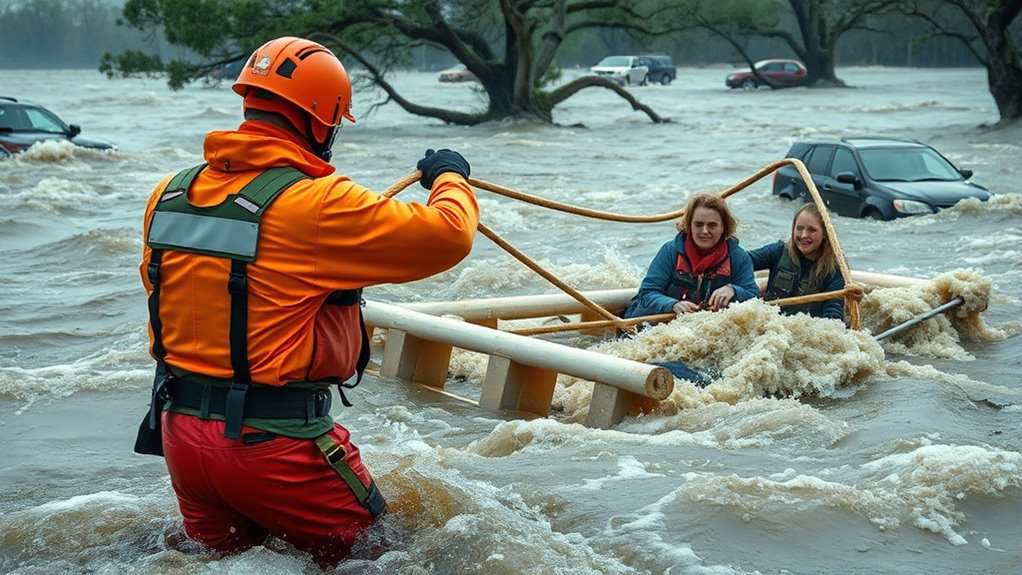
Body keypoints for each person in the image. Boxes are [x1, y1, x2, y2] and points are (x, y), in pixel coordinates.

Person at [134, 37, 480, 567]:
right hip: (275, 446)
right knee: (391, 559)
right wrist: (451, 176)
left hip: (181, 440)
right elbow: (450, 235)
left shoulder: (170, 193)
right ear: (321, 123)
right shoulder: (319, 204)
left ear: (249, 101)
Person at [622, 192, 759, 319]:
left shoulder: (738, 257)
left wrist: (734, 290)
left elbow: (753, 295)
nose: (704, 231)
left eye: (712, 225)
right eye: (698, 224)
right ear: (689, 225)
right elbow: (647, 293)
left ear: (723, 227)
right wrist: (673, 305)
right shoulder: (670, 251)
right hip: (663, 325)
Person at [748, 202, 845, 320]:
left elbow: (833, 313)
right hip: (772, 325)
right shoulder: (778, 251)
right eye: (799, 228)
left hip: (807, 331)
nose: (804, 235)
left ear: (825, 233)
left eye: (812, 230)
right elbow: (743, 261)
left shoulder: (835, 269)